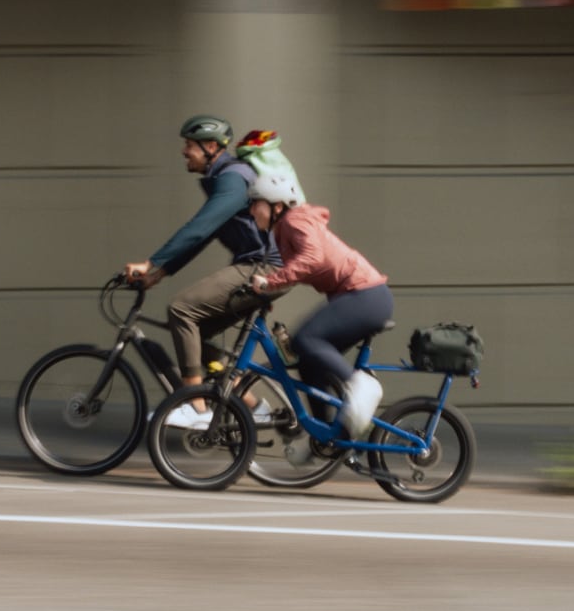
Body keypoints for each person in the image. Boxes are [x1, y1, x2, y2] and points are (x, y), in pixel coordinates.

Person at [122, 115, 285, 429]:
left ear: (211, 147)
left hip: (264, 268)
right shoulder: (225, 180)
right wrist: (162, 272)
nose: (184, 151)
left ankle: (194, 406)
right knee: (203, 332)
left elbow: (198, 229)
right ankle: (253, 407)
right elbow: (205, 235)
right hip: (260, 267)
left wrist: (151, 261)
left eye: (189, 145)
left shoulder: (233, 177)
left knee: (181, 309)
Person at [242, 169, 393, 444]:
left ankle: (362, 387)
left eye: (256, 203)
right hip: (360, 298)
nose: (251, 211)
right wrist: (269, 291)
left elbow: (311, 258)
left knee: (306, 339)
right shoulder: (283, 229)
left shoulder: (293, 220)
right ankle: (325, 438)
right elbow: (299, 268)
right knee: (308, 363)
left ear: (276, 205)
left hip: (366, 296)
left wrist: (270, 283)